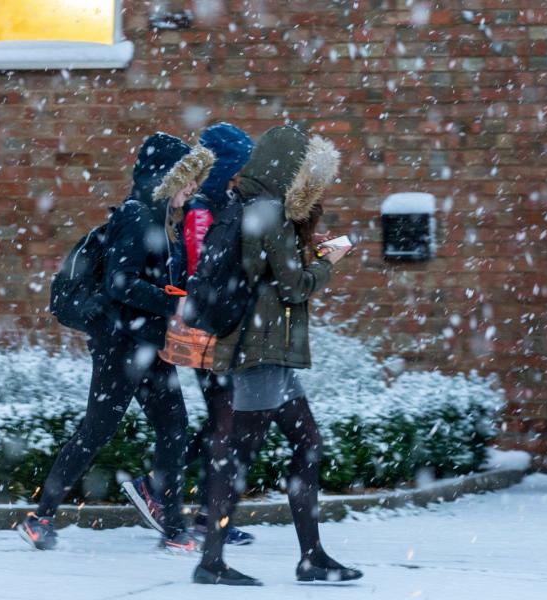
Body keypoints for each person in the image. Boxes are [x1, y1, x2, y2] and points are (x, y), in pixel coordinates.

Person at [18, 133, 211, 552]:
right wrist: (173, 302)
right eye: (188, 179)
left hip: (144, 340)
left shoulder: (156, 218)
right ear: (166, 177)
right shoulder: (140, 218)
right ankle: (40, 516)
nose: (193, 188)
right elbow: (120, 283)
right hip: (120, 343)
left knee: (173, 426)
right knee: (98, 429)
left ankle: (172, 522)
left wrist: (170, 300)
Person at [193, 126, 362, 586]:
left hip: (269, 352)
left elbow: (270, 274)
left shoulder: (249, 205)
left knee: (308, 444)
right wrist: (330, 262)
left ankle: (312, 557)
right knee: (238, 457)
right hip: (261, 353)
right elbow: (294, 287)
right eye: (304, 170)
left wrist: (304, 241)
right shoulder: (269, 213)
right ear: (289, 169)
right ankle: (211, 561)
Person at [122, 122, 257, 547]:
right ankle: (194, 509)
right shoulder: (202, 210)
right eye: (236, 169)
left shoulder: (225, 203)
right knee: (225, 422)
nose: (240, 177)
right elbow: (204, 272)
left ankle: (178, 496)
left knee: (228, 422)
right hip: (207, 329)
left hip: (224, 326)